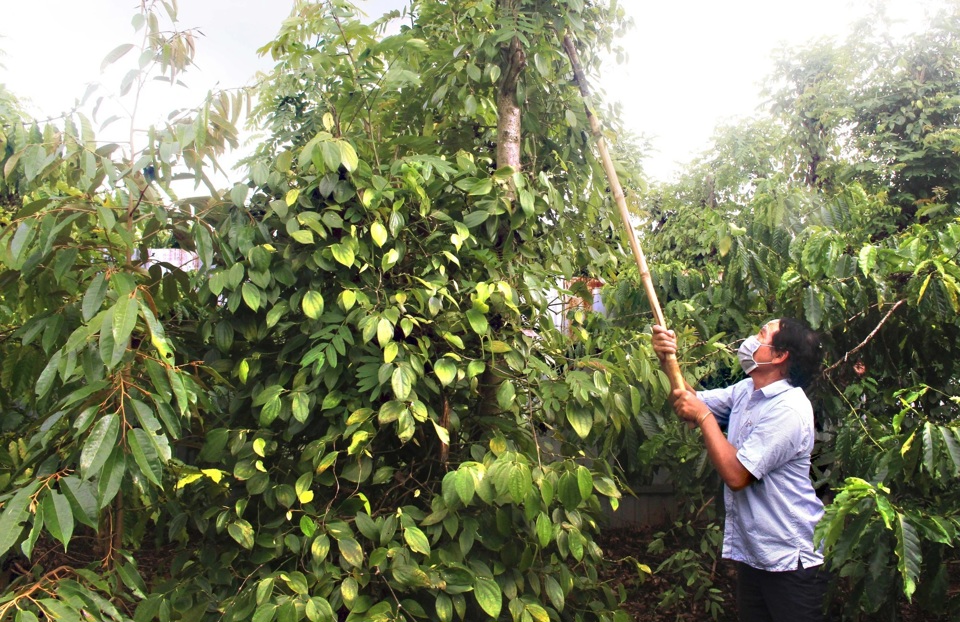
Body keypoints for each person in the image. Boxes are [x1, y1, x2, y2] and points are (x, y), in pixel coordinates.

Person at [652, 318, 829, 622]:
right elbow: (688, 405)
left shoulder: (789, 409)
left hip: (791, 561)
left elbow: (737, 475)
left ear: (779, 356)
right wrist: (668, 360)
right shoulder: (747, 391)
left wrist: (705, 417)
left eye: (761, 334)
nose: (751, 339)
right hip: (756, 555)